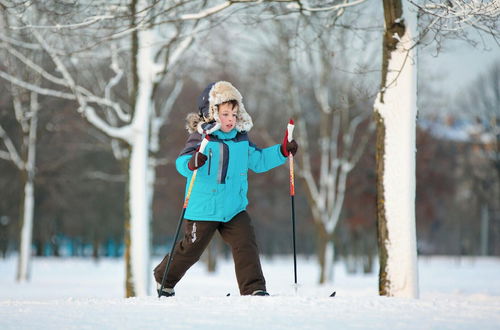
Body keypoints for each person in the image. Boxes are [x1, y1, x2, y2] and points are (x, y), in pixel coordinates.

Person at [153, 81, 298, 297]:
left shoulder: (241, 139)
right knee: (191, 250)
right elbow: (182, 164)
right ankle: (164, 278)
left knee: (245, 244)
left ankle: (254, 289)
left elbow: (258, 161)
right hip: (203, 208)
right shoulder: (201, 138)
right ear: (211, 112)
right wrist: (192, 162)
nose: (231, 119)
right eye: (226, 113)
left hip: (233, 208)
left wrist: (282, 151)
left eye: (234, 114)